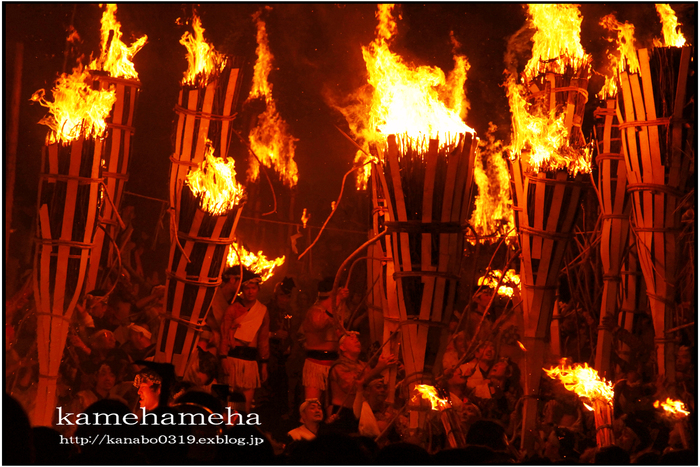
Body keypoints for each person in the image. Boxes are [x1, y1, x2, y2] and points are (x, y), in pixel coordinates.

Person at [218, 268, 270, 413]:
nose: (250, 292)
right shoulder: (233, 309)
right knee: (230, 404)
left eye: (253, 288)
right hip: (233, 359)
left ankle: (242, 432)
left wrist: (264, 364)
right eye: (247, 288)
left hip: (251, 362)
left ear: (258, 289)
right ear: (242, 290)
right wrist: (223, 358)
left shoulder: (263, 311)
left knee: (245, 407)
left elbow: (263, 339)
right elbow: (224, 334)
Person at [326, 332, 397, 435]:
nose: (356, 340)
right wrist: (378, 368)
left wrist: (388, 367)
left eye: (357, 339)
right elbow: (353, 386)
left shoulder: (363, 365)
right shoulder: (339, 367)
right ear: (342, 347)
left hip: (362, 411)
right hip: (343, 414)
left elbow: (372, 382)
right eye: (351, 338)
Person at [301, 277, 347, 400]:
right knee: (313, 403)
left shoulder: (337, 312)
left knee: (332, 406)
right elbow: (319, 324)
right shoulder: (314, 311)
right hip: (316, 364)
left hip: (334, 365)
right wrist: (337, 299)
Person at [203, 266, 242, 352]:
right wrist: (213, 331)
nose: (243, 285)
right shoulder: (211, 295)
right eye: (241, 281)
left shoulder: (237, 303)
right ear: (232, 279)